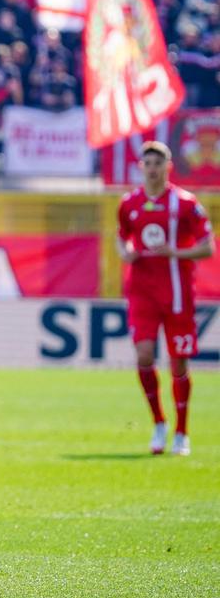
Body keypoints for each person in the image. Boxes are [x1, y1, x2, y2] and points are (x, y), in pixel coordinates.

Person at [116, 142, 215, 455]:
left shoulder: (185, 203)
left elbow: (208, 246)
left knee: (178, 363)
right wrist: (126, 254)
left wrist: (176, 252)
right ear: (141, 167)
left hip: (177, 293)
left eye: (158, 162)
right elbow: (121, 237)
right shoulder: (129, 203)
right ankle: (159, 423)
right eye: (148, 163)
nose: (152, 168)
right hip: (142, 292)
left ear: (168, 166)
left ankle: (182, 431)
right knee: (144, 356)